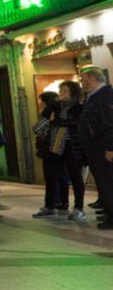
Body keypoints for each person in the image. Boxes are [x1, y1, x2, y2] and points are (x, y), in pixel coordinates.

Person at [78, 67, 113, 230]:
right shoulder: (93, 97)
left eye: (83, 79)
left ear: (91, 79)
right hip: (95, 148)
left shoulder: (105, 96)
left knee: (107, 182)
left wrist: (110, 148)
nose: (82, 83)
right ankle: (108, 212)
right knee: (103, 182)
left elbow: (109, 124)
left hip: (102, 148)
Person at [52, 81, 87, 221]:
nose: (62, 94)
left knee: (76, 177)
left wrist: (57, 121)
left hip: (74, 146)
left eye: (65, 91)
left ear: (73, 92)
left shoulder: (78, 107)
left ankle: (79, 207)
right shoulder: (58, 106)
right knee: (61, 175)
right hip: (59, 146)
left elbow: (75, 123)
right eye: (61, 91)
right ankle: (63, 203)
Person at [33, 91, 64, 218]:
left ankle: (52, 204)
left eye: (41, 102)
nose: (40, 104)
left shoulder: (50, 114)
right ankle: (61, 202)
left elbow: (36, 128)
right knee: (61, 177)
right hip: (59, 149)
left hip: (51, 149)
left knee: (52, 177)